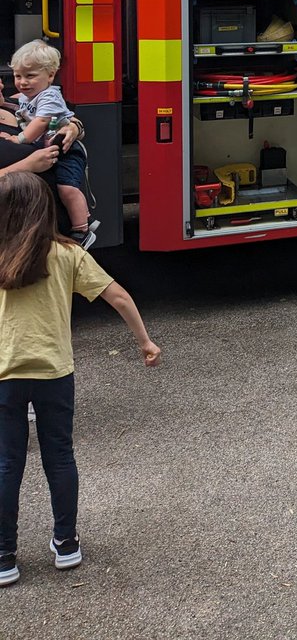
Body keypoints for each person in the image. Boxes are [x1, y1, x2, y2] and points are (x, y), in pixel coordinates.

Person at [0, 172, 160, 587]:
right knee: (59, 455)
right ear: (46, 209)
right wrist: (144, 342)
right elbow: (118, 295)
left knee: (5, 463)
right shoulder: (67, 253)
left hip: (4, 373)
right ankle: (66, 543)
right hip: (54, 372)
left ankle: (4, 557)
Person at [3, 41, 96, 246]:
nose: (6, 84)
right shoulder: (30, 97)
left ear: (51, 75)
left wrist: (73, 127)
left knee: (67, 187)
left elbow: (48, 120)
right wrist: (27, 165)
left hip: (65, 155)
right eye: (18, 76)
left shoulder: (37, 98)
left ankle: (82, 229)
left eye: (29, 76)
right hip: (17, 232)